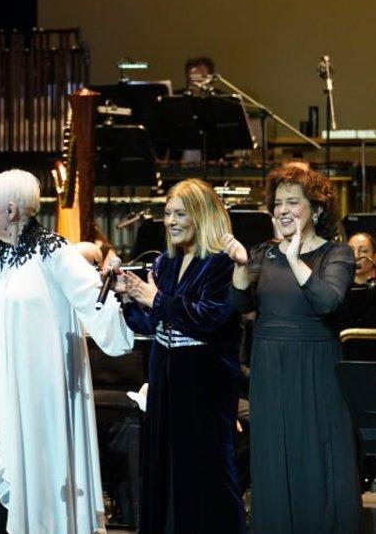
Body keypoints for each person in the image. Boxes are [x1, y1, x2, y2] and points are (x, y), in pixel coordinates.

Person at [0, 169, 135, 533]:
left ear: (12, 209)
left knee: (35, 477)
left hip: (39, 399)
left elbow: (97, 306)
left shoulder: (55, 253)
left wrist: (126, 298)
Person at [228, 163, 360, 532]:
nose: (283, 210)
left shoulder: (337, 254)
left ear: (316, 210)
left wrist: (295, 259)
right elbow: (237, 306)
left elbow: (328, 301)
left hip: (316, 366)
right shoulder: (262, 254)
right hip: (270, 366)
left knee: (316, 455)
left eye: (293, 203)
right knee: (273, 458)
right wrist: (240, 267)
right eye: (277, 203)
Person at [114, 179, 246, 534]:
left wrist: (154, 298)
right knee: (165, 464)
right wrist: (130, 297)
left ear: (201, 216)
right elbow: (151, 321)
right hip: (166, 373)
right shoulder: (168, 263)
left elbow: (212, 318)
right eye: (167, 213)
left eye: (179, 214)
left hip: (204, 378)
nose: (170, 221)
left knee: (204, 467)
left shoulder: (221, 264)